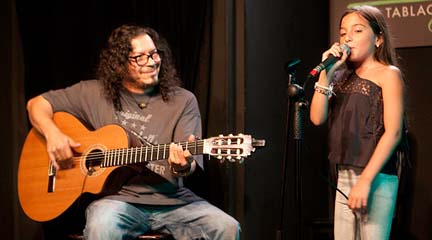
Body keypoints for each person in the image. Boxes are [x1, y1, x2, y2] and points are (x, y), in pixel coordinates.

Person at [26, 24, 240, 240]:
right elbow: (36, 104)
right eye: (140, 57)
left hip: (174, 201)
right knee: (102, 227)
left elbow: (190, 162)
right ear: (119, 65)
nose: (152, 62)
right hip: (118, 202)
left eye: (154, 54)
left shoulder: (183, 100)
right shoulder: (93, 93)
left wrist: (183, 166)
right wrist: (53, 134)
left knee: (227, 227)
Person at [309, 5, 406, 240]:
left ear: (378, 39)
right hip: (344, 175)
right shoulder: (340, 76)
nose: (348, 38)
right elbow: (316, 117)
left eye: (358, 31)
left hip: (377, 176)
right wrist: (326, 73)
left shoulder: (388, 74)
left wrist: (365, 181)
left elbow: (393, 132)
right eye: (343, 33)